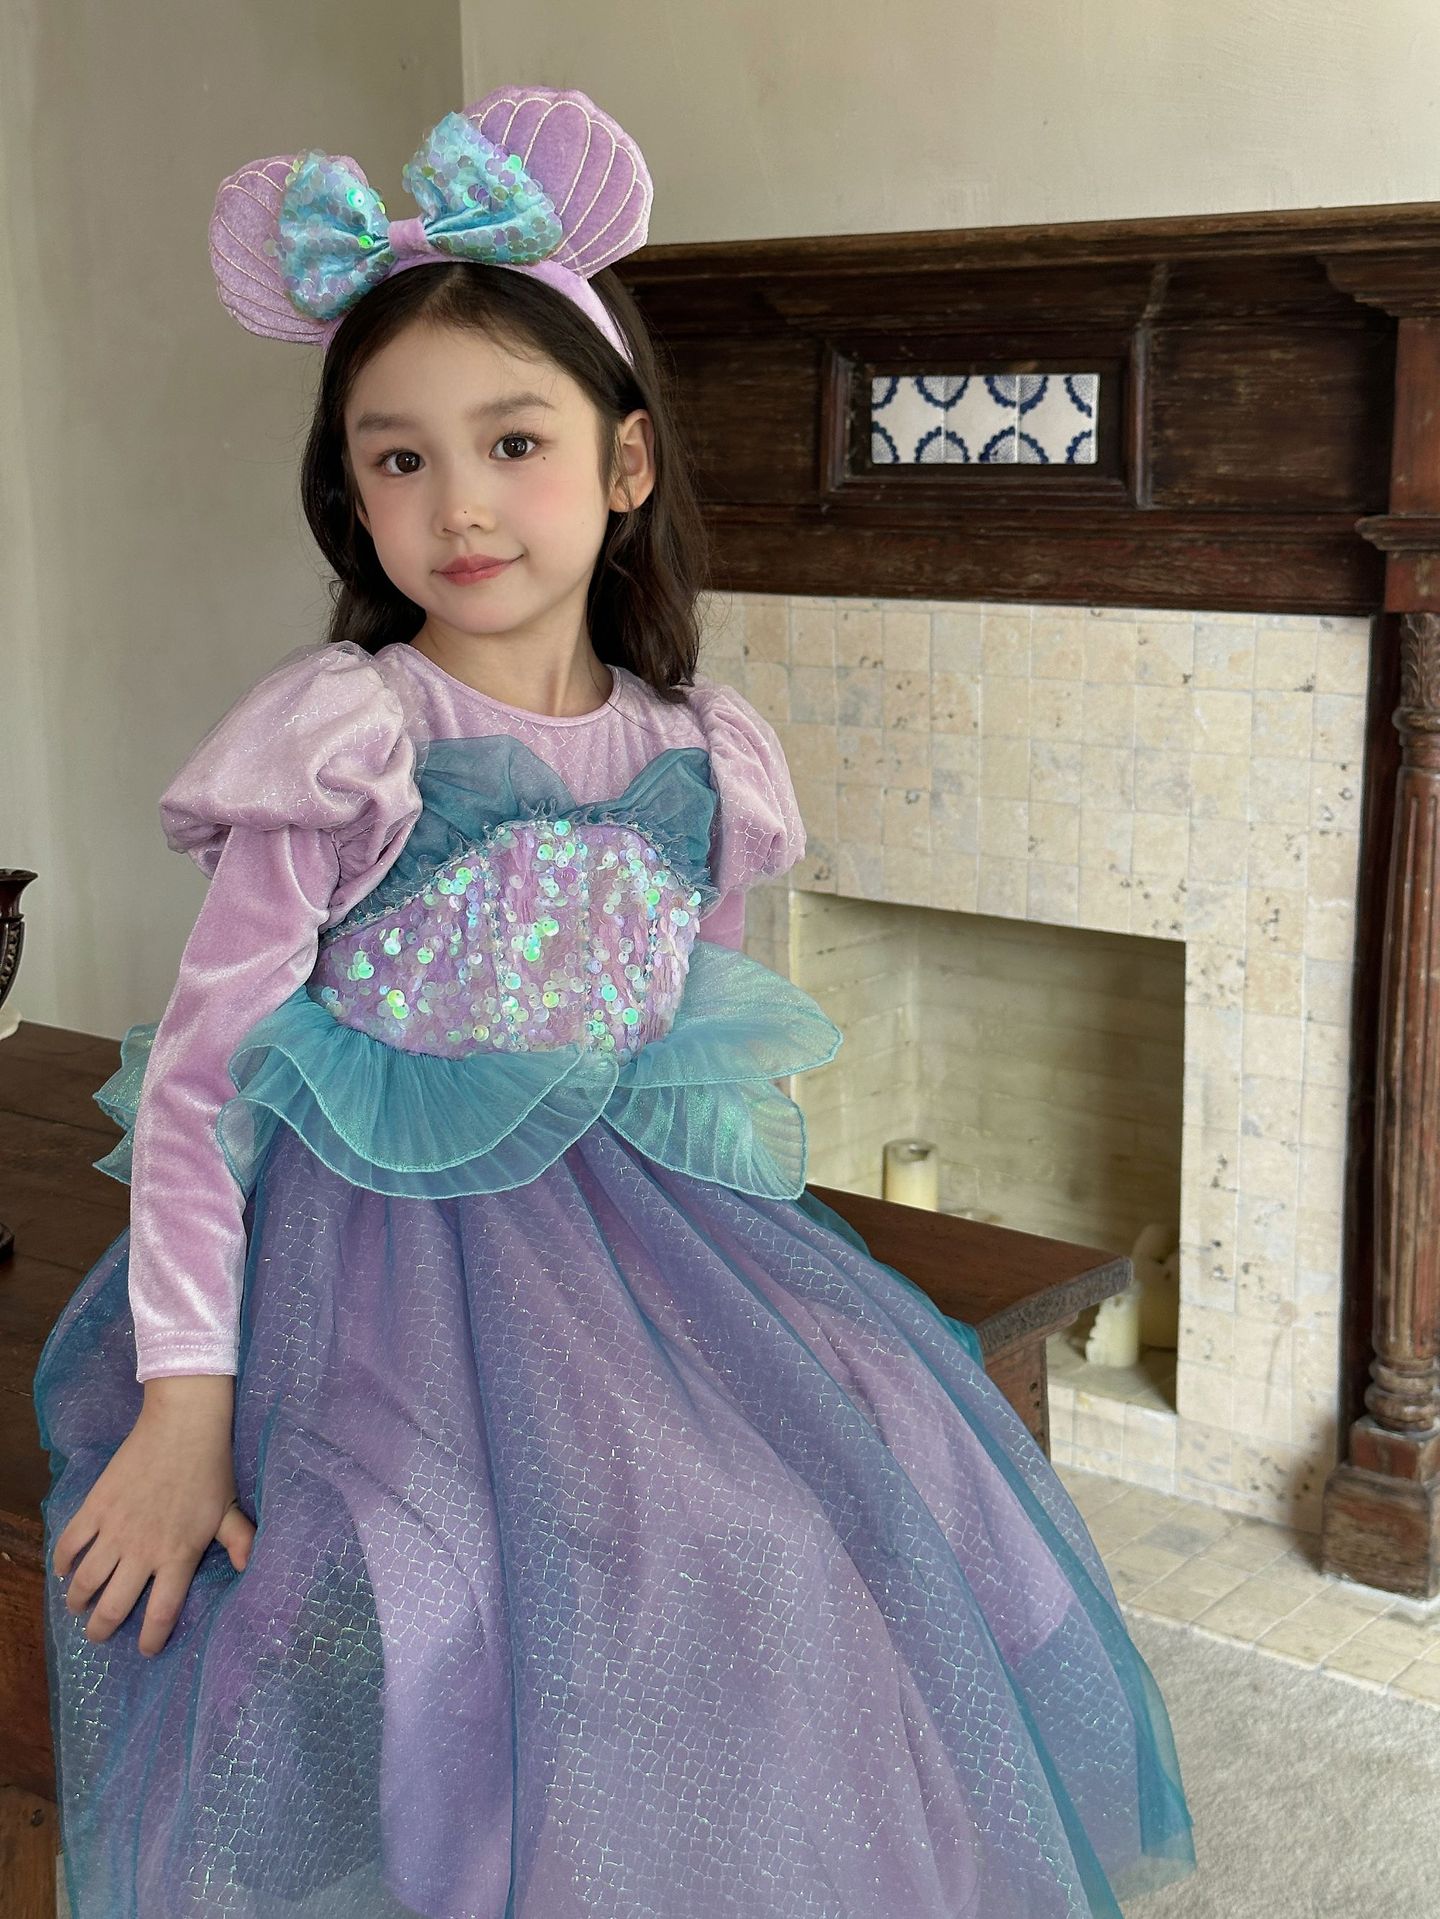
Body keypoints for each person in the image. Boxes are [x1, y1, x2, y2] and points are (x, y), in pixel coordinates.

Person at [32, 84, 1196, 1919]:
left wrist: (767, 1330)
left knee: (877, 1468)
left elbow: (697, 1063)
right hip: (377, 1263)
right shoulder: (352, 738)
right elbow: (198, 1086)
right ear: (350, 490)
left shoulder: (701, 756)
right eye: (397, 460)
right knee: (487, 1572)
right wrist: (187, 1410)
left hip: (644, 1238)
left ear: (627, 462)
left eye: (514, 442)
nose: (458, 503)